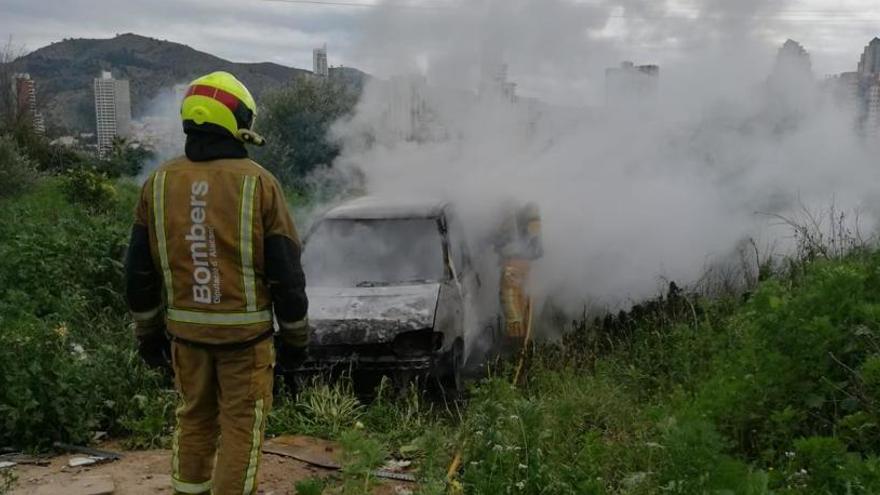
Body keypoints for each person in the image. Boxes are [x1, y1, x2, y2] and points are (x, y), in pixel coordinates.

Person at [124, 71, 309, 495]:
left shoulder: (158, 183)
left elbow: (137, 274)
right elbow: (287, 274)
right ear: (237, 120)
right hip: (246, 342)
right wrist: (296, 341)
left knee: (193, 420)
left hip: (185, 339)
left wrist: (149, 336)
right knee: (241, 430)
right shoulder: (259, 183)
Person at [493, 201, 543, 348]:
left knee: (513, 312)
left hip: (512, 267)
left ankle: (517, 352)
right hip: (522, 266)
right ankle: (526, 347)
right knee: (523, 308)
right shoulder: (529, 210)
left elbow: (502, 238)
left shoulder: (509, 212)